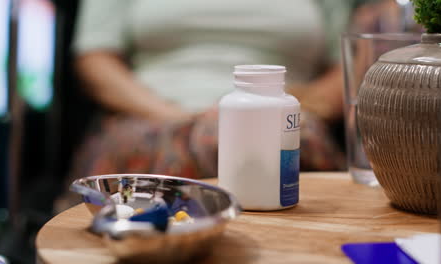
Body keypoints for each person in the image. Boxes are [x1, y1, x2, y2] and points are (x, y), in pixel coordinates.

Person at [65, 0, 393, 191]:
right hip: (153, 116)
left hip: (289, 115)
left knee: (271, 141)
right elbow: (95, 60)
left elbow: (347, 63)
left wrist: (292, 109)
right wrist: (176, 116)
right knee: (222, 139)